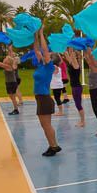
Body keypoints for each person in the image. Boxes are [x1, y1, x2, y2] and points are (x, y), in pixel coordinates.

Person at [32, 28, 61, 156]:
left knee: (46, 125)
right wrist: (35, 35)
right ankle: (53, 145)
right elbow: (37, 49)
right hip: (41, 98)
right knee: (45, 125)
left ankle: (53, 146)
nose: (43, 55)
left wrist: (42, 33)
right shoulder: (41, 65)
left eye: (46, 55)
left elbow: (43, 49)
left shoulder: (49, 67)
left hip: (44, 99)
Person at [63, 48, 85, 127]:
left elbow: (71, 54)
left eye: (72, 55)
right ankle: (82, 121)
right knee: (77, 105)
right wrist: (65, 46)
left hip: (77, 88)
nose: (70, 55)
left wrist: (71, 44)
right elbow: (66, 54)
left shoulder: (76, 64)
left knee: (78, 105)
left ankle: (83, 122)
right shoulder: (71, 63)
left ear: (75, 57)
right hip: (74, 87)